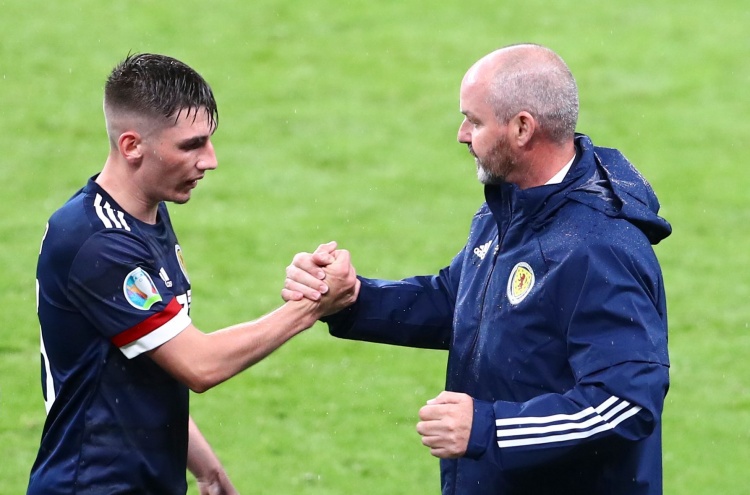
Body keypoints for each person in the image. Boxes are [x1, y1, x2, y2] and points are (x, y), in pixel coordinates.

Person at [282, 43, 671, 494]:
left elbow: (626, 403)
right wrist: (354, 298)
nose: (462, 134)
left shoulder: (598, 247)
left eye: (475, 121)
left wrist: (490, 428)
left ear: (522, 127)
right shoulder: (515, 203)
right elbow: (462, 301)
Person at [29, 53, 356, 495]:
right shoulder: (96, 243)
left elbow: (148, 363)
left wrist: (207, 470)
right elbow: (198, 364)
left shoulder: (145, 215)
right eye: (191, 145)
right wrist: (311, 306)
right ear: (132, 146)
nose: (210, 160)